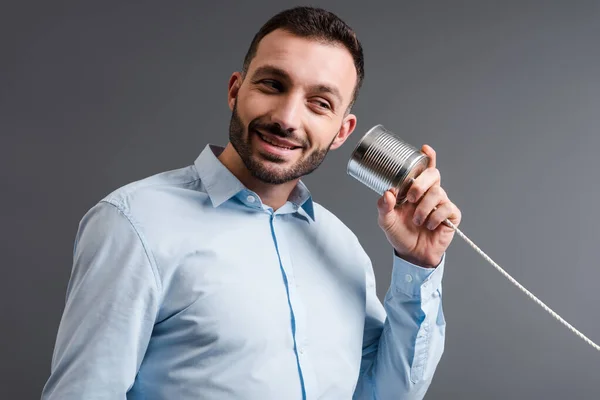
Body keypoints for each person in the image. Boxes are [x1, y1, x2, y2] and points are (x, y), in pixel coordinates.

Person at [41, 6, 461, 400]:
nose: (287, 118)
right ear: (235, 90)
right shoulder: (134, 224)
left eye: (320, 103)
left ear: (341, 131)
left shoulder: (343, 248)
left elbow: (385, 393)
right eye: (273, 85)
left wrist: (418, 266)